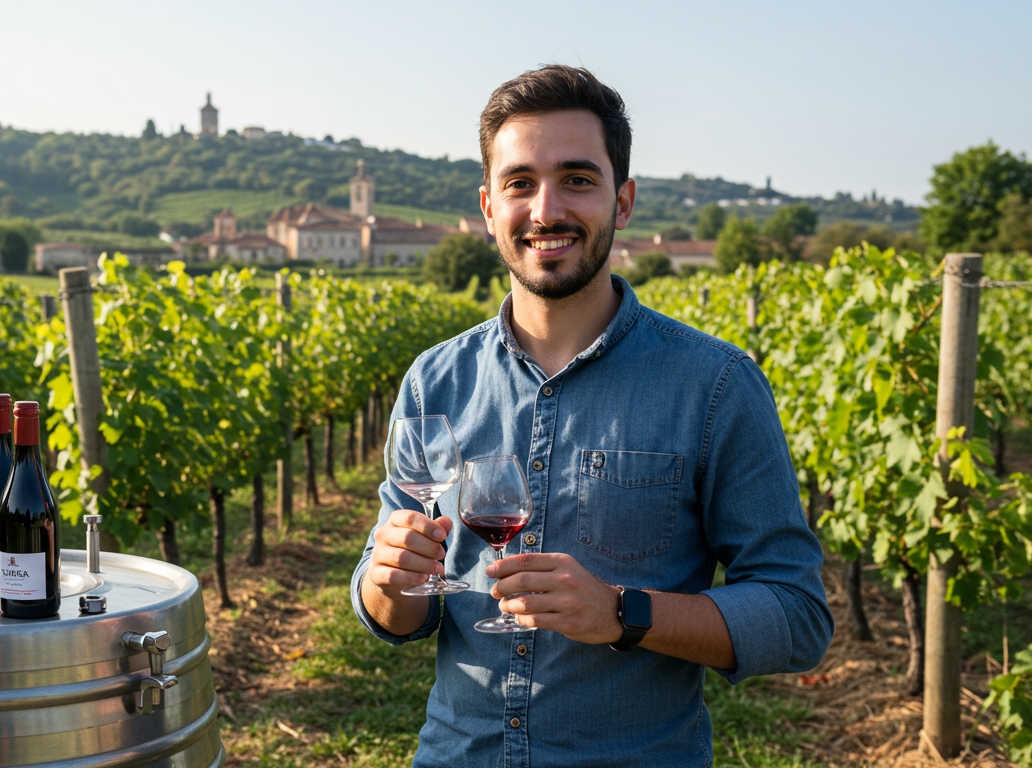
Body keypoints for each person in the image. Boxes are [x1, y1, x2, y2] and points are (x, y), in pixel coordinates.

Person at [350, 64, 833, 767]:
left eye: (577, 179)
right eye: (520, 183)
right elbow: (400, 616)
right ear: (488, 207)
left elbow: (797, 616)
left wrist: (620, 613)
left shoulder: (716, 386)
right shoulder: (435, 381)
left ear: (623, 201)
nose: (546, 209)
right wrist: (386, 581)